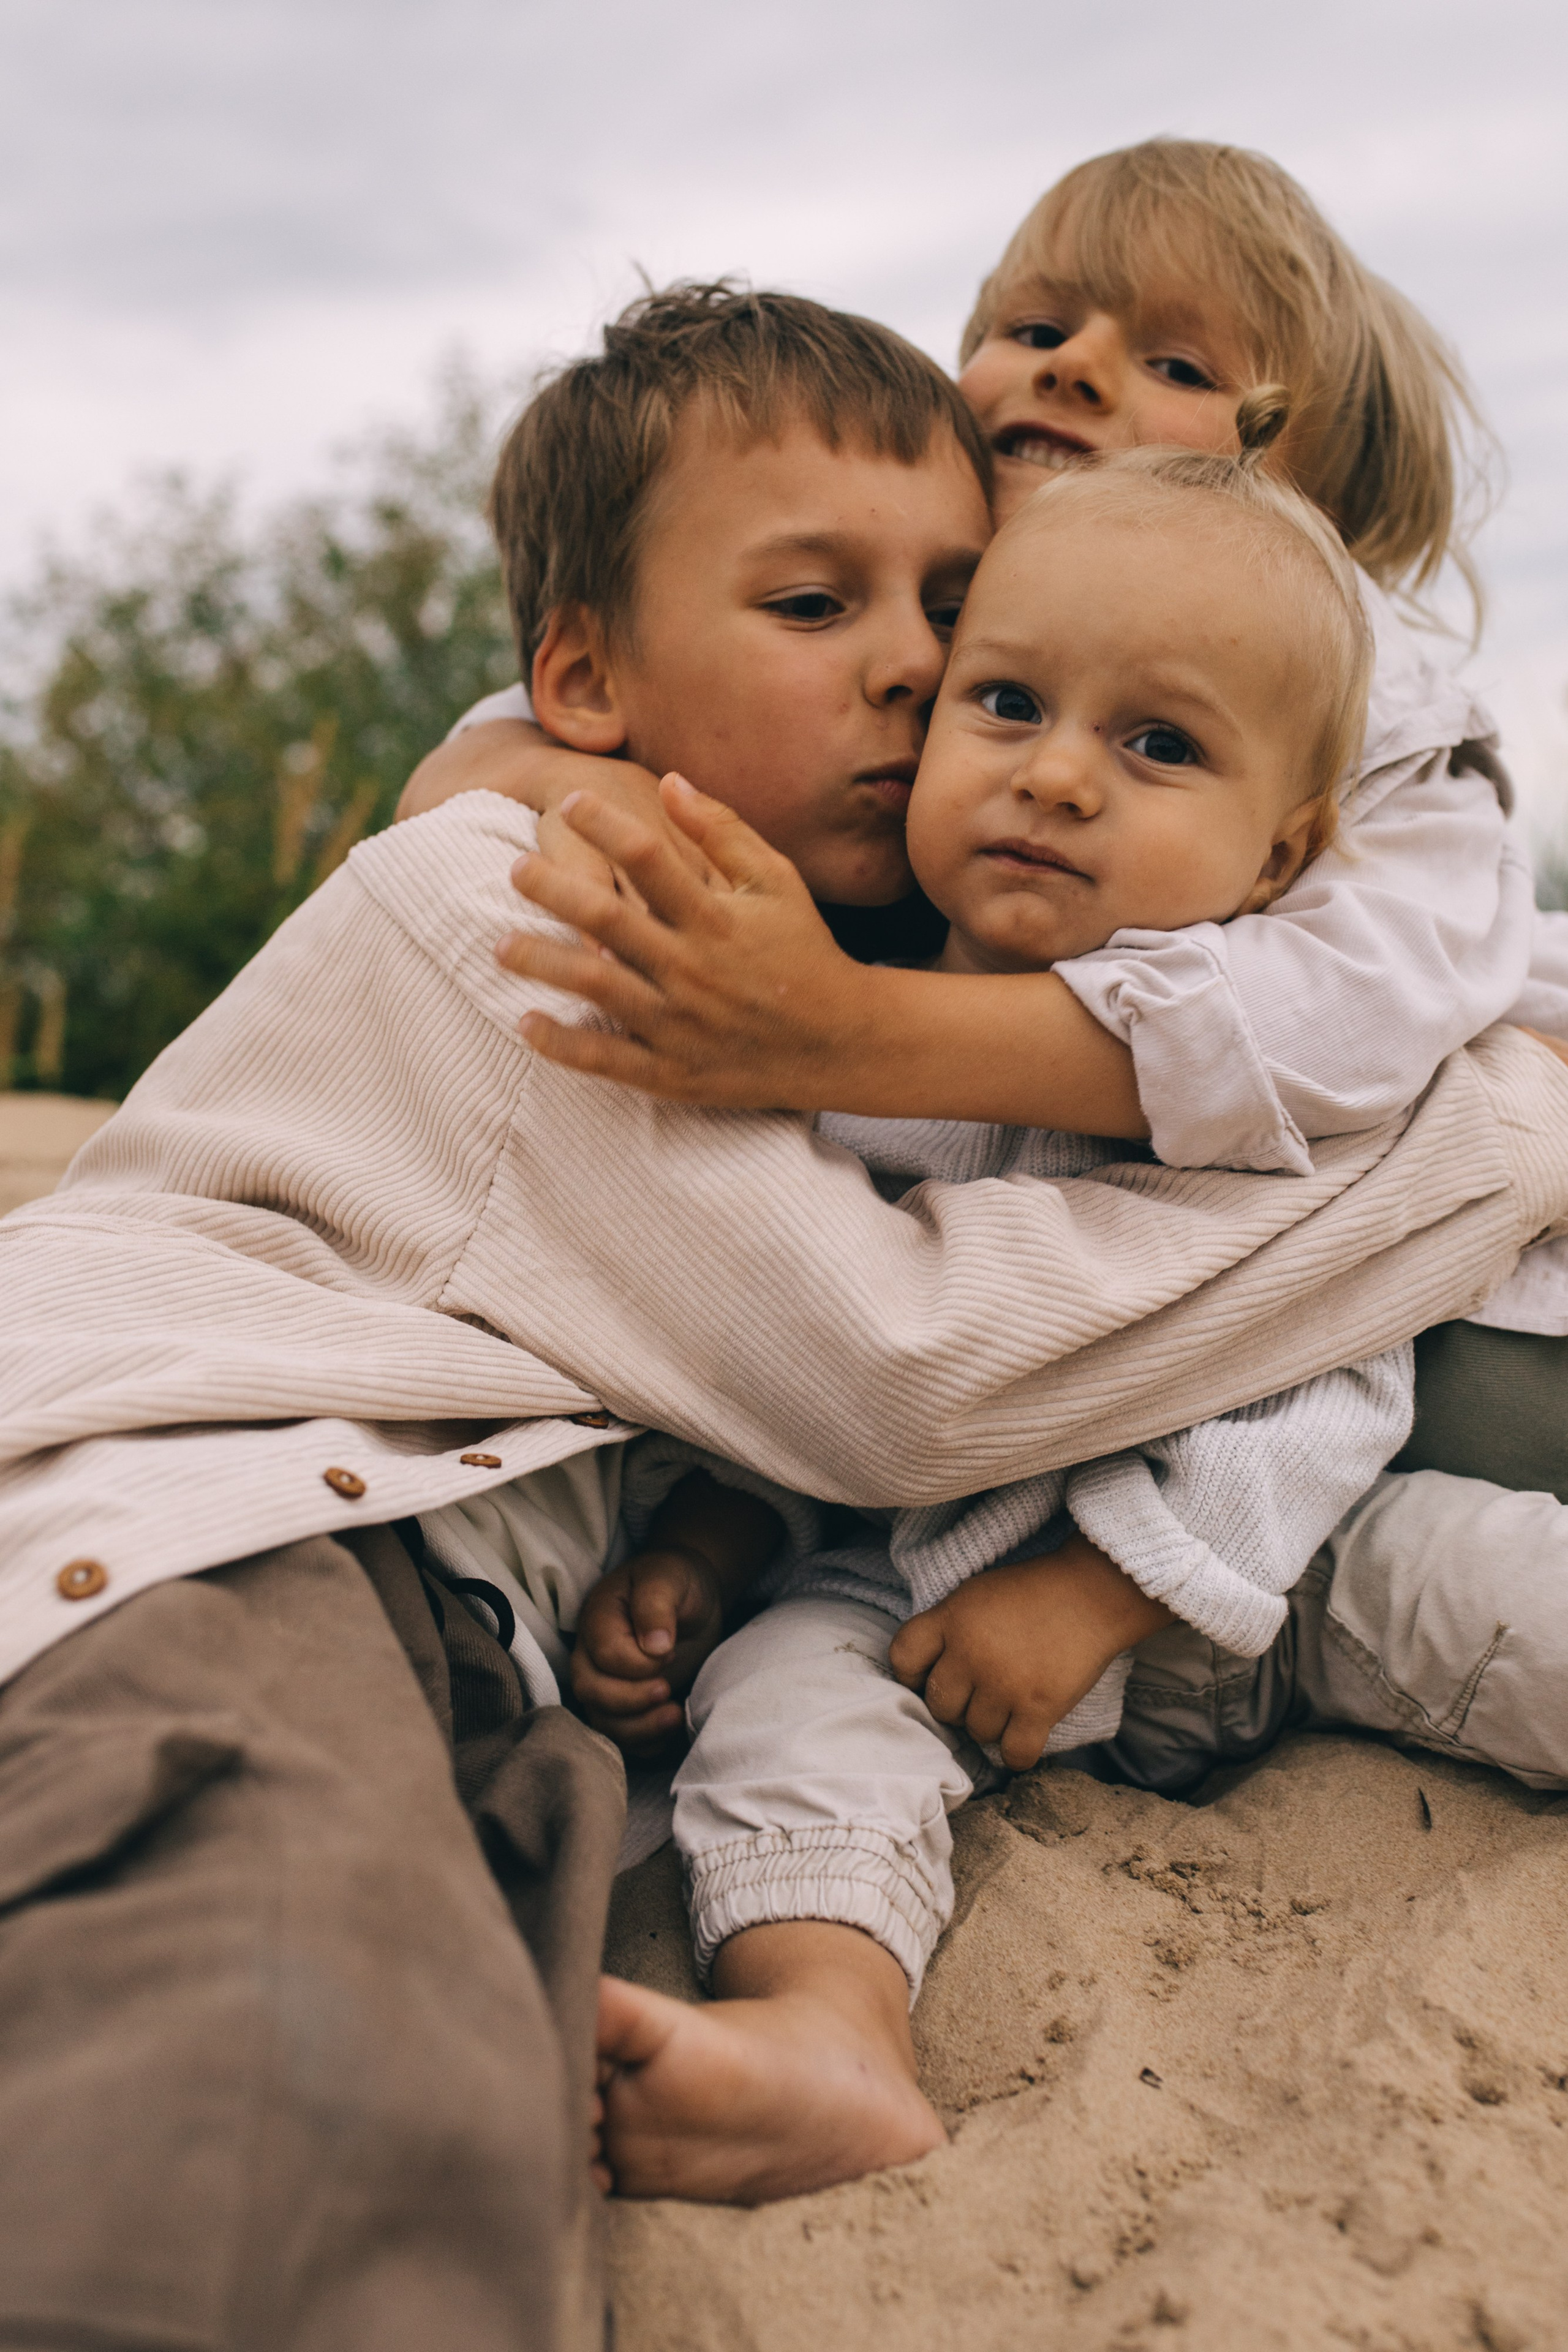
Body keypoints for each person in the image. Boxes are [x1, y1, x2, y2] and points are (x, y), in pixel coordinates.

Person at [6, 286, 1548, 2352]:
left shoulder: (836, 975)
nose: (919, 668)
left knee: (470, 2101)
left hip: (467, 1635)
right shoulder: (545, 911)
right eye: (819, 606)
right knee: (265, 2088)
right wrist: (1493, 1144)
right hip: (222, 1554)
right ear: (580, 684)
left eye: (949, 607)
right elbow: (899, 1377)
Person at [405, 140, 1568, 1483]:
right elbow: (502, 745)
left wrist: (847, 1034)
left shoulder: (1379, 704)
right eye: (1032, 326)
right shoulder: (963, 609)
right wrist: (577, 787)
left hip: (1474, 1301)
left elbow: (1343, 1016)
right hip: (1115, 1319)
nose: (1073, 365)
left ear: (1301, 508)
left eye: (1178, 370)